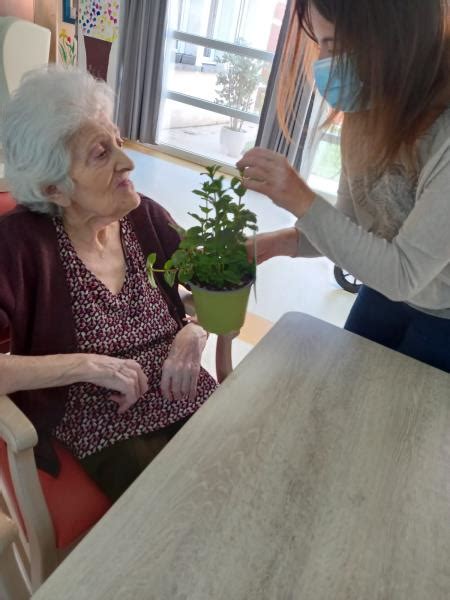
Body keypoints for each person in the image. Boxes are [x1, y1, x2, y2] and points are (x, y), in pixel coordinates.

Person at [0, 67, 219, 501]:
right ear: (55, 188)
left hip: (190, 394)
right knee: (186, 509)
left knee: (249, 460)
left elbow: (216, 285)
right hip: (107, 427)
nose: (128, 160)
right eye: (101, 153)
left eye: (117, 139)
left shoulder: (146, 216)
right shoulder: (17, 246)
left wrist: (193, 331)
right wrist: (90, 365)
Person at [238, 0, 450, 372]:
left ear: (395, 39)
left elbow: (402, 274)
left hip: (442, 314)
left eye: (333, 46)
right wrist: (275, 243)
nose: (323, 63)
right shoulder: (366, 112)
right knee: (345, 388)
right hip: (383, 292)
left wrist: (299, 197)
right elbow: (348, 227)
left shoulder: (443, 136)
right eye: (319, 45)